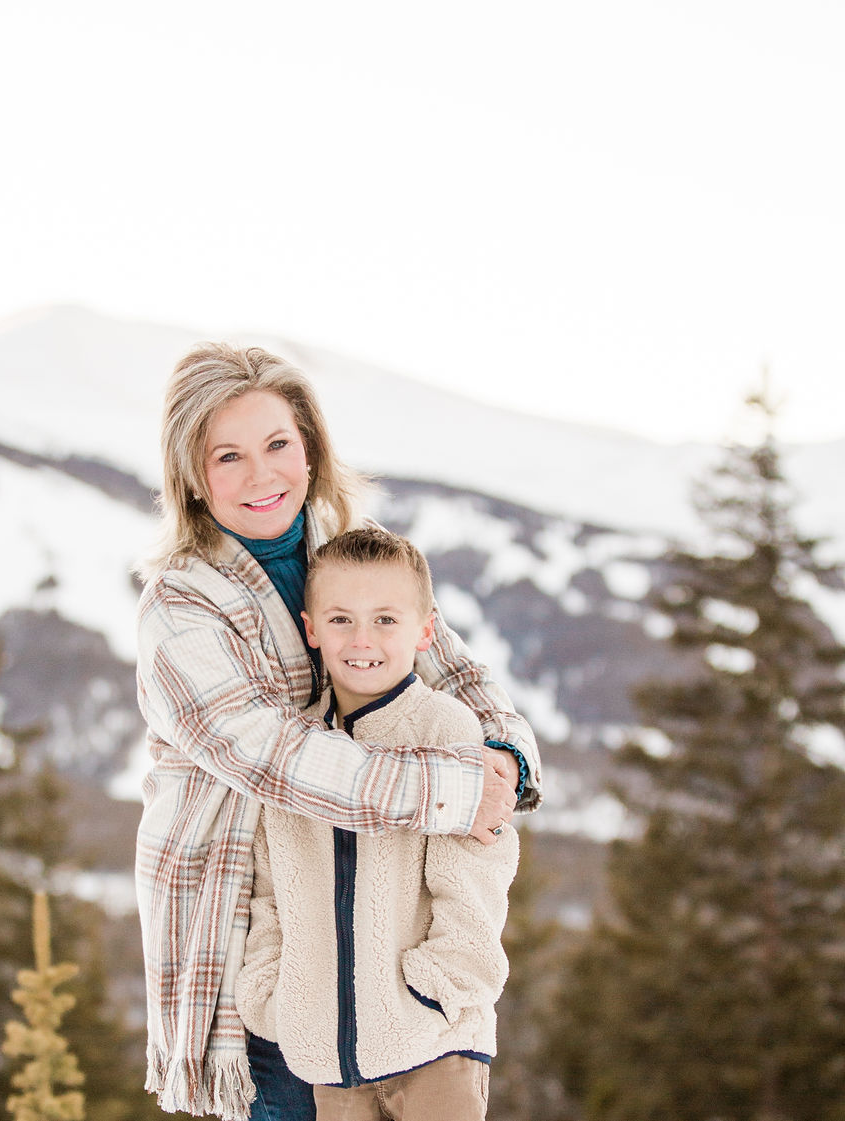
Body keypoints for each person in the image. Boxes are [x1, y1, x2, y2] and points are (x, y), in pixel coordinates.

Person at [134, 343, 542, 1121]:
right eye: (229, 455)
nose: (263, 476)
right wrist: (459, 791)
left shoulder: (349, 553)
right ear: (190, 474)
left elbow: (455, 672)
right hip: (253, 938)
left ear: (311, 448)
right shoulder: (180, 605)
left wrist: (506, 760)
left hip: (378, 932)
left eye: (278, 444)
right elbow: (276, 758)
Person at [235, 527, 520, 1121]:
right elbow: (269, 892)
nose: (362, 640)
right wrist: (275, 1000)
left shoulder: (446, 732)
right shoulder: (295, 751)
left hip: (433, 1048)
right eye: (340, 620)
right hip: (330, 1062)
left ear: (425, 630)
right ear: (311, 628)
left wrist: (436, 989)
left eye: (386, 620)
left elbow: (475, 882)